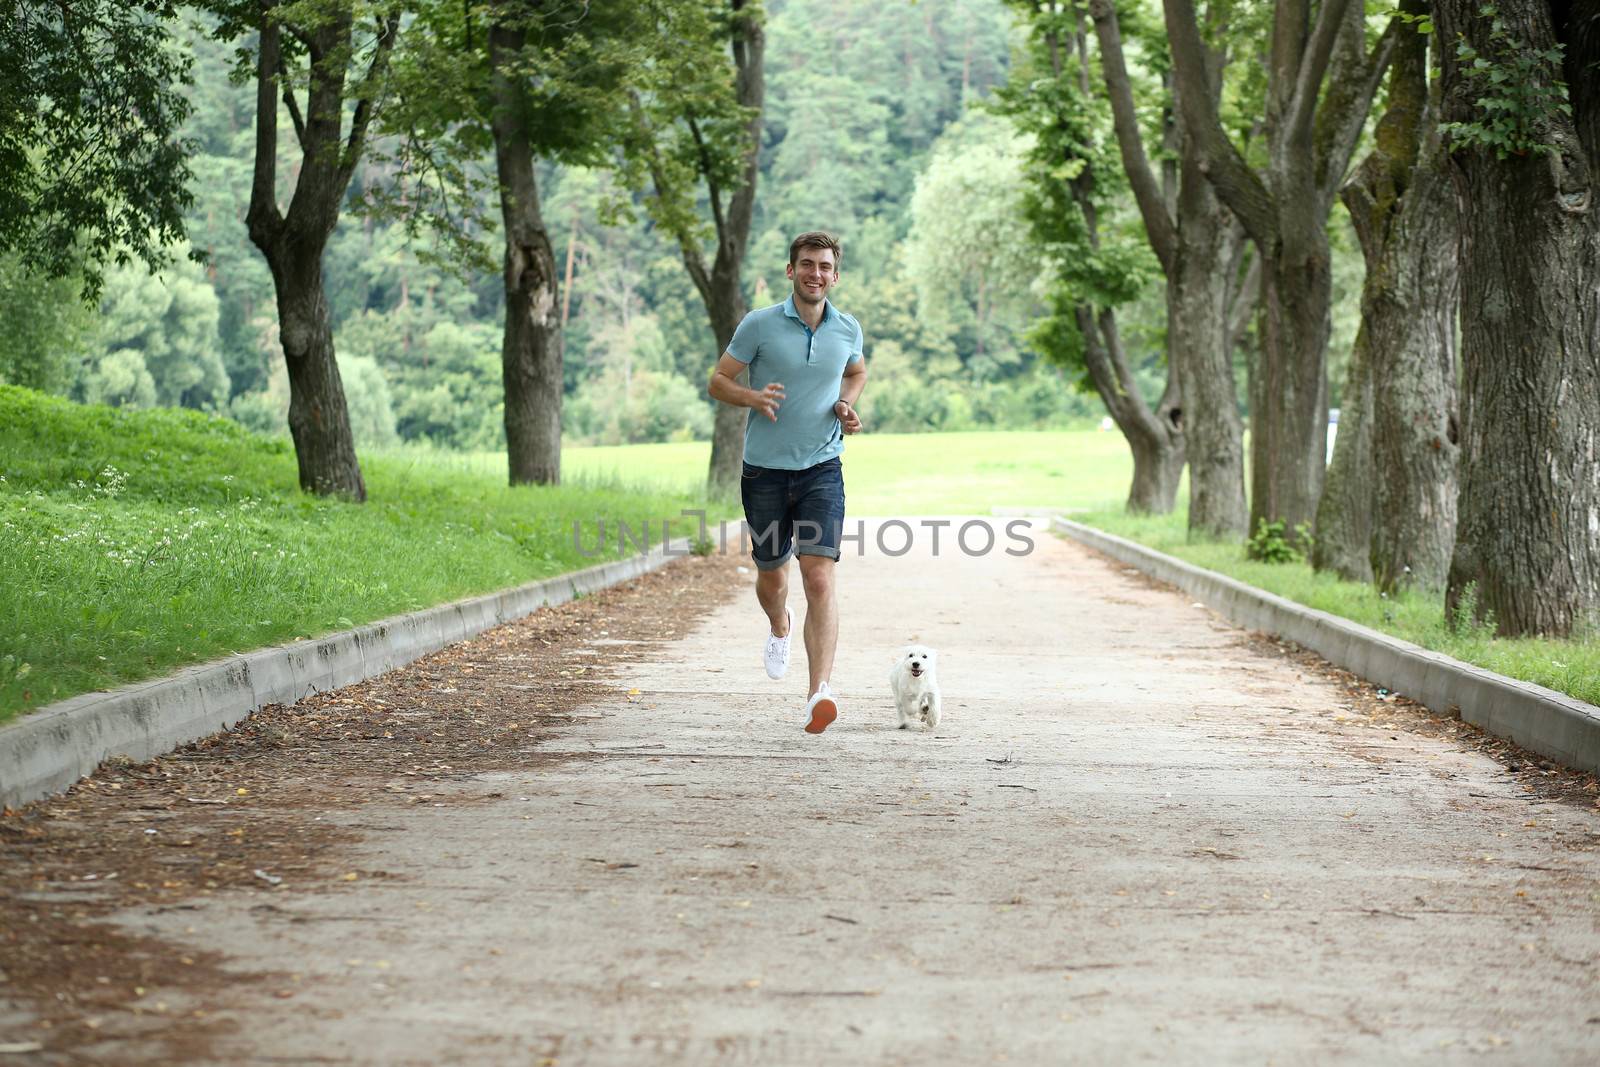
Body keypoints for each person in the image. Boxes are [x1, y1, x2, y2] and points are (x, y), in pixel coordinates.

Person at [708, 231, 867, 734]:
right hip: (765, 472)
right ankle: (779, 625)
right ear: (791, 270)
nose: (814, 273)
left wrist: (846, 402)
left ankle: (819, 691)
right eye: (806, 264)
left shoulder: (847, 328)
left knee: (819, 576)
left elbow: (856, 370)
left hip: (822, 468)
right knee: (773, 575)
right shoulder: (759, 325)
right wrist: (752, 398)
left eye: (824, 266)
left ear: (835, 275)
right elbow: (718, 380)